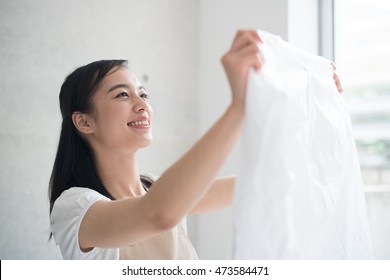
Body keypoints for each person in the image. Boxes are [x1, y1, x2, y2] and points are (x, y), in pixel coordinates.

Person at [49, 30, 343, 260]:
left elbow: (270, 182)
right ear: (84, 122)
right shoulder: (75, 208)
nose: (142, 106)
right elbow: (159, 214)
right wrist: (239, 108)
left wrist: (311, 100)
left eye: (143, 94)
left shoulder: (158, 188)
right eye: (122, 96)